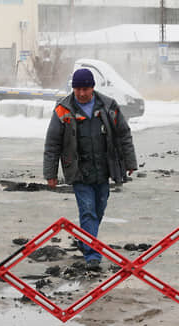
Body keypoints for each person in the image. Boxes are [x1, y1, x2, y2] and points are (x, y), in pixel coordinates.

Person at [44, 68, 137, 266]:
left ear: (93, 88)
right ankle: (92, 255)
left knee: (99, 209)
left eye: (85, 89)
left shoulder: (108, 106)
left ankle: (85, 239)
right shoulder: (63, 109)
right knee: (87, 211)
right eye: (77, 89)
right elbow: (52, 143)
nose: (82, 93)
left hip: (104, 169)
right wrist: (50, 173)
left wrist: (130, 162)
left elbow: (123, 134)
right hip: (79, 171)